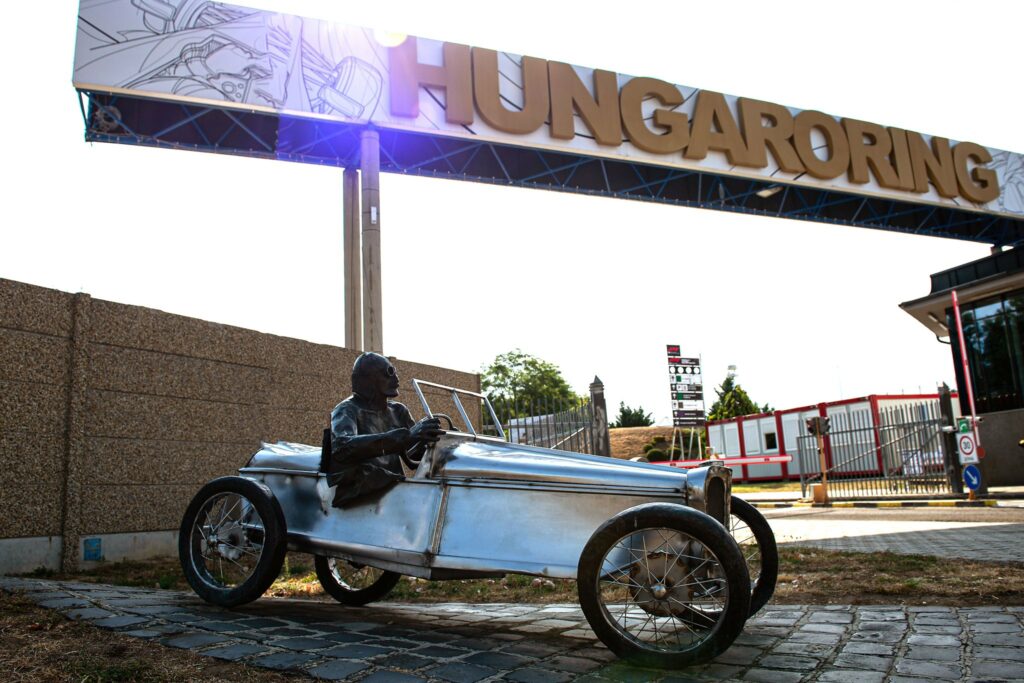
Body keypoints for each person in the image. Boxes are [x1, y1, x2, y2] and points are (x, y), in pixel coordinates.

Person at [326, 352, 443, 507]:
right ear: (368, 379)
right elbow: (342, 446)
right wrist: (407, 436)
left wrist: (433, 441)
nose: (396, 379)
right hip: (363, 495)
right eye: (388, 373)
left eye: (394, 372)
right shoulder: (346, 410)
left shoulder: (398, 411)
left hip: (395, 491)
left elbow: (414, 457)